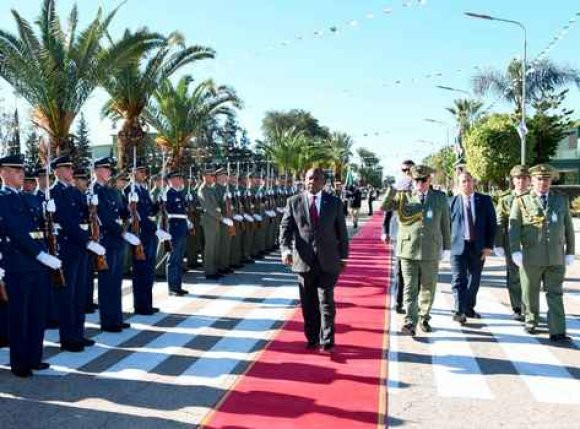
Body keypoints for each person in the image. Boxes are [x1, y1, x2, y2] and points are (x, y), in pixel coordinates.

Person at [0, 154, 62, 377]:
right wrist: (41, 255)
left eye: (22, 171)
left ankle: (35, 357)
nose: (21, 174)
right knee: (20, 316)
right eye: (15, 170)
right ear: (3, 173)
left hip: (38, 265)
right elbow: (17, 233)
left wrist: (49, 215)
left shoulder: (30, 198)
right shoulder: (3, 199)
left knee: (37, 314)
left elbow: (41, 229)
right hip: (18, 264)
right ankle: (20, 363)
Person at [279, 167, 349, 351]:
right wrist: (285, 250)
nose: (312, 181)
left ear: (323, 182)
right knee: (308, 304)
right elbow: (285, 229)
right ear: (304, 180)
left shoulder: (334, 203)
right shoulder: (293, 202)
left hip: (328, 260)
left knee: (326, 301)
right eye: (309, 178)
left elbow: (342, 231)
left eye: (316, 179)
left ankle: (327, 340)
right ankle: (312, 338)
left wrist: (344, 257)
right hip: (304, 261)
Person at [509, 164, 575, 342]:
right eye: (539, 179)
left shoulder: (560, 200)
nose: (543, 183)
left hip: (556, 256)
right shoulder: (521, 200)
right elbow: (514, 229)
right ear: (532, 180)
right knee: (530, 292)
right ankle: (531, 320)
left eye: (546, 179)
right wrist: (515, 251)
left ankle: (558, 330)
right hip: (531, 257)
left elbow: (568, 227)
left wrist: (570, 252)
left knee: (555, 293)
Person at [382, 165, 451, 336]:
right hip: (407, 249)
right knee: (410, 287)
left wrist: (447, 247)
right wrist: (393, 188)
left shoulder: (439, 198)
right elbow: (384, 207)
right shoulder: (403, 195)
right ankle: (410, 321)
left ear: (429, 180)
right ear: (411, 180)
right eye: (416, 180)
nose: (420, 183)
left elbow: (445, 224)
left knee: (428, 286)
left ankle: (424, 317)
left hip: (430, 249)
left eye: (423, 180)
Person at [51, 155, 106, 352]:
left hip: (82, 248)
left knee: (80, 294)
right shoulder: (54, 193)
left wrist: (91, 203)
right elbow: (67, 223)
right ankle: (68, 339)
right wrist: (88, 241)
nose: (70, 172)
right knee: (68, 295)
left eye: (71, 168)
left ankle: (78, 334)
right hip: (68, 248)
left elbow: (85, 215)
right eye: (66, 168)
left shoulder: (75, 191)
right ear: (56, 171)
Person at [93, 157, 140, 332]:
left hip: (117, 240)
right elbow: (104, 219)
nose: (108, 173)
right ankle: (108, 321)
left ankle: (116, 317)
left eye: (109, 170)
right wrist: (123, 232)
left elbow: (121, 212)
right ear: (97, 170)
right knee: (107, 283)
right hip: (106, 240)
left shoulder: (111, 191)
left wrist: (130, 207)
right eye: (105, 169)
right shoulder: (94, 191)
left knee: (116, 281)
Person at [449, 171, 497, 324]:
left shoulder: (484, 200)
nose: (466, 184)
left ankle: (469, 308)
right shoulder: (451, 202)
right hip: (457, 247)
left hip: (478, 247)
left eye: (469, 180)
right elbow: (445, 226)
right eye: (463, 181)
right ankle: (459, 310)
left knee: (473, 280)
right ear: (458, 184)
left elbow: (492, 224)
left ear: (474, 182)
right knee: (458, 279)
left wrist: (489, 246)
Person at [125, 164, 171, 314]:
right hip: (139, 234)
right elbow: (136, 215)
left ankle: (148, 303)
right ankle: (141, 305)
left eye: (144, 171)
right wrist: (155, 229)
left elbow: (150, 211)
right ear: (132, 173)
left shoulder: (144, 190)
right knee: (140, 271)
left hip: (149, 234)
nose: (143, 174)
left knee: (149, 270)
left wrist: (159, 203)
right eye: (140, 171)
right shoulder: (129, 190)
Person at [494, 165, 530, 321]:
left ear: (529, 180)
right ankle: (517, 307)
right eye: (517, 178)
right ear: (513, 180)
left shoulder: (535, 196)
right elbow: (500, 222)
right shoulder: (506, 198)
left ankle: (530, 308)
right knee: (514, 275)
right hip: (511, 242)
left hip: (532, 243)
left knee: (531, 276)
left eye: (524, 178)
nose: (520, 181)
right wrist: (499, 244)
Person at [382, 159, 414, 314]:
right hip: (398, 234)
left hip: (417, 236)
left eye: (410, 170)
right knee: (399, 270)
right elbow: (387, 210)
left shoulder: (420, 187)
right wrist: (385, 231)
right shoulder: (396, 188)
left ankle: (413, 302)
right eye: (404, 170)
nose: (407, 172)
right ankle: (398, 301)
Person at [164, 170, 190, 295]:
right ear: (172, 180)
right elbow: (165, 213)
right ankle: (172, 287)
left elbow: (183, 212)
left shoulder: (179, 193)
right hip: (174, 229)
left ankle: (177, 285)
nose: (180, 180)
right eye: (178, 178)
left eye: (180, 178)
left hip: (182, 228)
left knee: (179, 259)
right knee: (173, 259)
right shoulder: (168, 194)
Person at [198, 167, 222, 280]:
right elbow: (208, 207)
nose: (213, 177)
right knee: (210, 246)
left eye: (213, 175)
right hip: (208, 221)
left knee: (216, 245)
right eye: (210, 175)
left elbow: (216, 205)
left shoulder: (211, 189)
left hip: (215, 220)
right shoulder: (202, 190)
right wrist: (220, 217)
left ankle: (215, 269)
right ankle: (209, 271)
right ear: (204, 176)